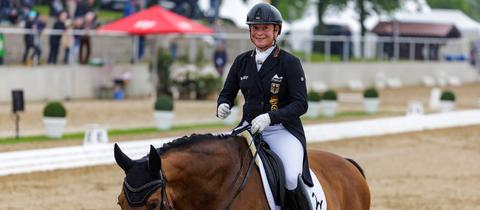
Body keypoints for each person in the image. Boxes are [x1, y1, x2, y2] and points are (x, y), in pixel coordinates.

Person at [216, 3, 313, 210]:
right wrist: (223, 104)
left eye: (265, 28)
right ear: (250, 31)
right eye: (255, 28)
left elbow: (301, 104)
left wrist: (271, 117)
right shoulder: (241, 61)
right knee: (222, 169)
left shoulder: (289, 62)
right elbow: (227, 92)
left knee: (289, 178)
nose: (260, 33)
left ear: (276, 30)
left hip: (281, 130)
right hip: (247, 131)